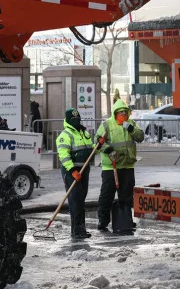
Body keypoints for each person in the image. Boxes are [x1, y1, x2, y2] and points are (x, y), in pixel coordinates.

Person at [95, 99, 145, 235]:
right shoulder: (107, 125)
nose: (123, 114)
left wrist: (131, 129)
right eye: (120, 112)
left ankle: (126, 219)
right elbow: (97, 142)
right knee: (106, 195)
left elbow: (140, 137)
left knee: (127, 196)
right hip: (111, 166)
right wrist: (107, 149)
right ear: (115, 113)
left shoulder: (131, 124)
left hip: (127, 165)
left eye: (125, 112)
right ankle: (103, 221)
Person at [55, 108, 94, 239]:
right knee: (75, 200)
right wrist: (72, 171)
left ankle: (81, 228)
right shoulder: (65, 135)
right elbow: (64, 156)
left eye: (78, 119)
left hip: (84, 169)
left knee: (81, 200)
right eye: (73, 119)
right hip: (71, 171)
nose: (76, 121)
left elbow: (90, 150)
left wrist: (98, 147)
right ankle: (76, 230)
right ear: (68, 120)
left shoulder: (84, 133)